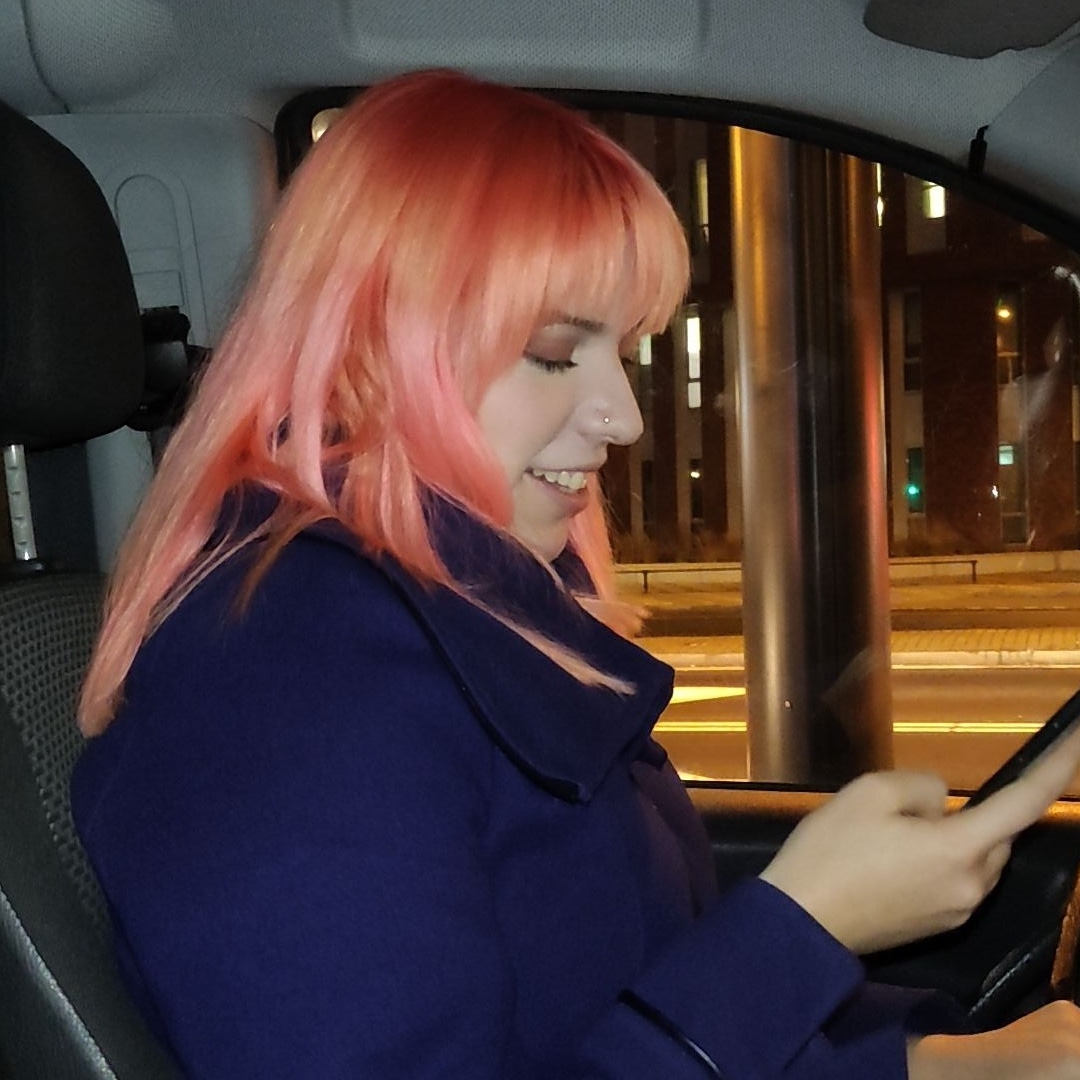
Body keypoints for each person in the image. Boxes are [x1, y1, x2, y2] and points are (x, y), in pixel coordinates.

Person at [73, 69, 1080, 1079]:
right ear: (373, 345)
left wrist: (934, 1064)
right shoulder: (289, 673)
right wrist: (799, 927)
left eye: (625, 351)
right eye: (556, 352)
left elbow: (605, 1004)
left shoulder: (445, 614)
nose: (625, 418)